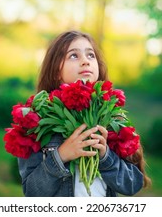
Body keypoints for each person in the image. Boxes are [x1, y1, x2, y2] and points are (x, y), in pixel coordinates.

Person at [18, 30, 151, 197]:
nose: (85, 61)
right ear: (55, 71)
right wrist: (61, 156)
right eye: (74, 55)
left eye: (91, 55)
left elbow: (132, 184)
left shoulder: (112, 119)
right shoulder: (37, 121)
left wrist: (105, 157)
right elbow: (32, 192)